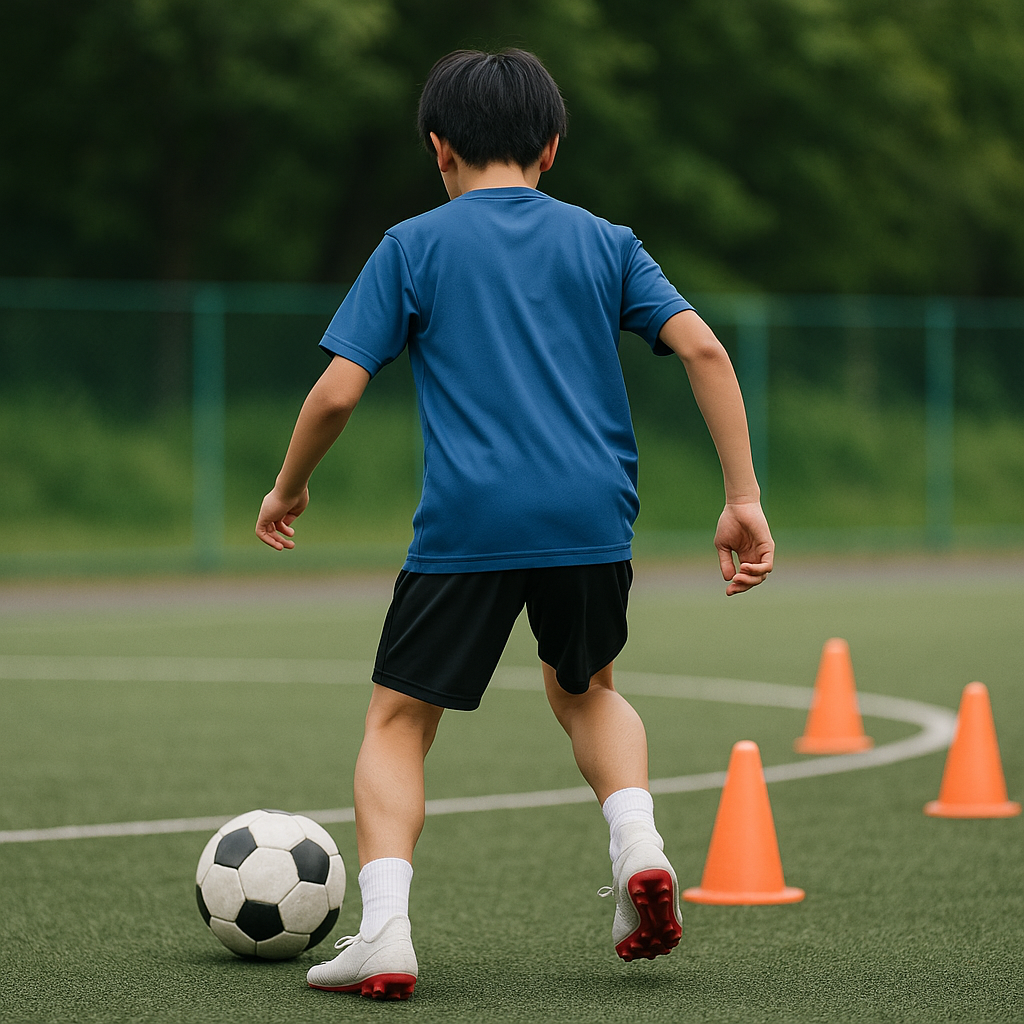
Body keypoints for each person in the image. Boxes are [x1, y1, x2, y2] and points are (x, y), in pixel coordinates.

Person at [255, 48, 773, 1001]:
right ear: (552, 148)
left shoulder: (413, 244)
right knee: (587, 690)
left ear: (437, 149)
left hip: (469, 524)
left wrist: (288, 485)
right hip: (594, 518)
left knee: (399, 720)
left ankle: (387, 935)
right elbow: (701, 345)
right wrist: (742, 497)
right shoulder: (607, 241)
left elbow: (336, 392)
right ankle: (639, 848)